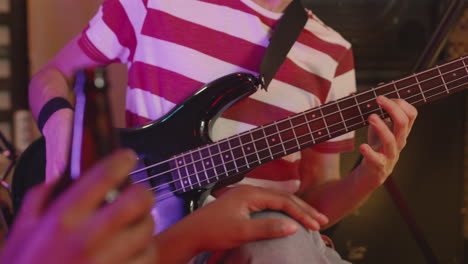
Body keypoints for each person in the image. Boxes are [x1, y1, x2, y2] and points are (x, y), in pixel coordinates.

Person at [28, 0, 418, 263]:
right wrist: (61, 130)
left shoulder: (333, 51)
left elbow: (316, 201)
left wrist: (368, 177)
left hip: (265, 245)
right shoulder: (154, 4)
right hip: (151, 239)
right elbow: (52, 76)